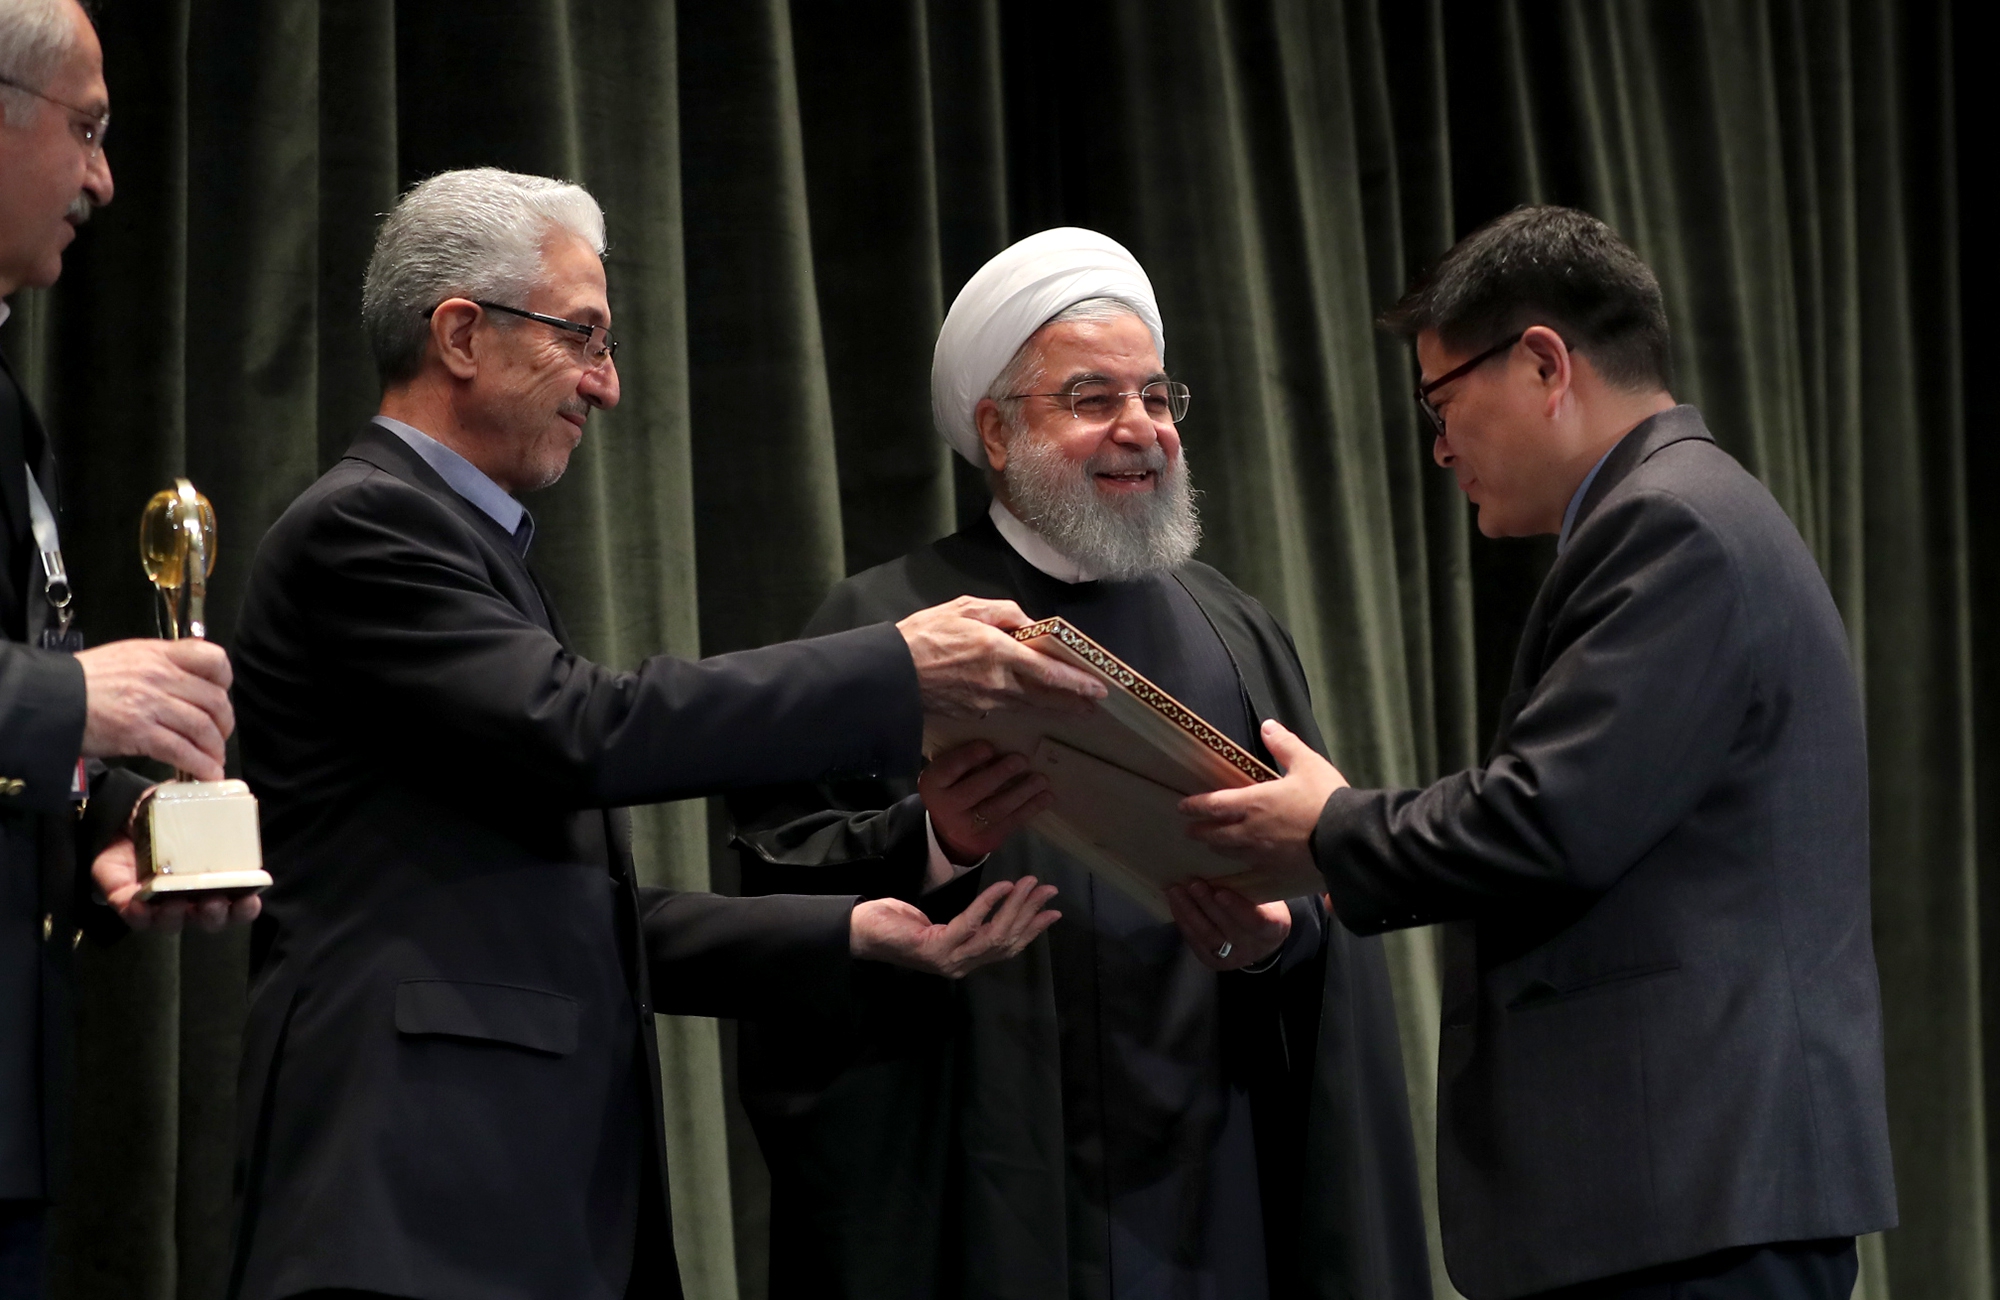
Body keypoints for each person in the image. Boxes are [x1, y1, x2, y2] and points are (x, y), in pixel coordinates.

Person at [224, 168, 1105, 1300]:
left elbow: (556, 914)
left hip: (506, 1205)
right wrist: (899, 661)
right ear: (458, 333)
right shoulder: (367, 526)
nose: (609, 383)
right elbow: (585, 727)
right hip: (413, 1198)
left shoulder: (466, 543)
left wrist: (850, 934)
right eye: (583, 335)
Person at [1183, 206, 1896, 1300]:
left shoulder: (1670, 527)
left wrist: (1324, 831)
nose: (1437, 447)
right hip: (1686, 1198)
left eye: (1441, 404)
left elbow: (1544, 817)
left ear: (1542, 363)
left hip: (1692, 1199)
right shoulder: (1686, 511)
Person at [727, 228, 1432, 1300]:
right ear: (996, 432)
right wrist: (930, 840)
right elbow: (780, 886)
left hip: (1212, 1171)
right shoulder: (886, 626)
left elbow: (1319, 885)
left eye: (1155, 397)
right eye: (1092, 398)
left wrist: (1277, 941)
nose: (1139, 429)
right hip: (989, 1179)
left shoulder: (1236, 632)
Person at [2, 0, 254, 1290]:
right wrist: (64, 697)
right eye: (86, 132)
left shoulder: (8, 401)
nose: (104, 178)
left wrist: (107, 844)